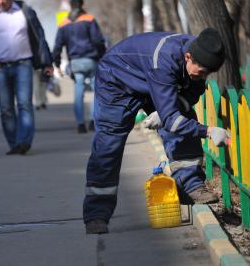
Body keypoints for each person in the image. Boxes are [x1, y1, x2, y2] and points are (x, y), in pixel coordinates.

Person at [83, 28, 230, 234]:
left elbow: (190, 95)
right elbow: (171, 121)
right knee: (109, 143)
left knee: (184, 121)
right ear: (188, 57)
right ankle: (97, 213)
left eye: (207, 73)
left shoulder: (199, 53)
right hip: (117, 82)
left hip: (152, 79)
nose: (203, 77)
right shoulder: (164, 59)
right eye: (202, 71)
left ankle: (192, 185)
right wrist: (208, 131)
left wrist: (173, 108)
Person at [0, 0, 53, 155]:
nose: (1, 1)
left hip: (23, 64)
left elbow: (39, 36)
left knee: (24, 104)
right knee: (6, 109)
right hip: (0, 67)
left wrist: (46, 62)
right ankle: (14, 143)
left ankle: (24, 141)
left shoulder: (24, 11)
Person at [52, 0, 106, 134]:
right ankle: (94, 122)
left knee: (78, 93)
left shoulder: (64, 23)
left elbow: (58, 45)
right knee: (96, 92)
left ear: (70, 6)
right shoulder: (89, 19)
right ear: (83, 5)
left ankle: (80, 124)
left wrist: (57, 64)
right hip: (91, 61)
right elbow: (98, 40)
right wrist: (103, 56)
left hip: (75, 63)